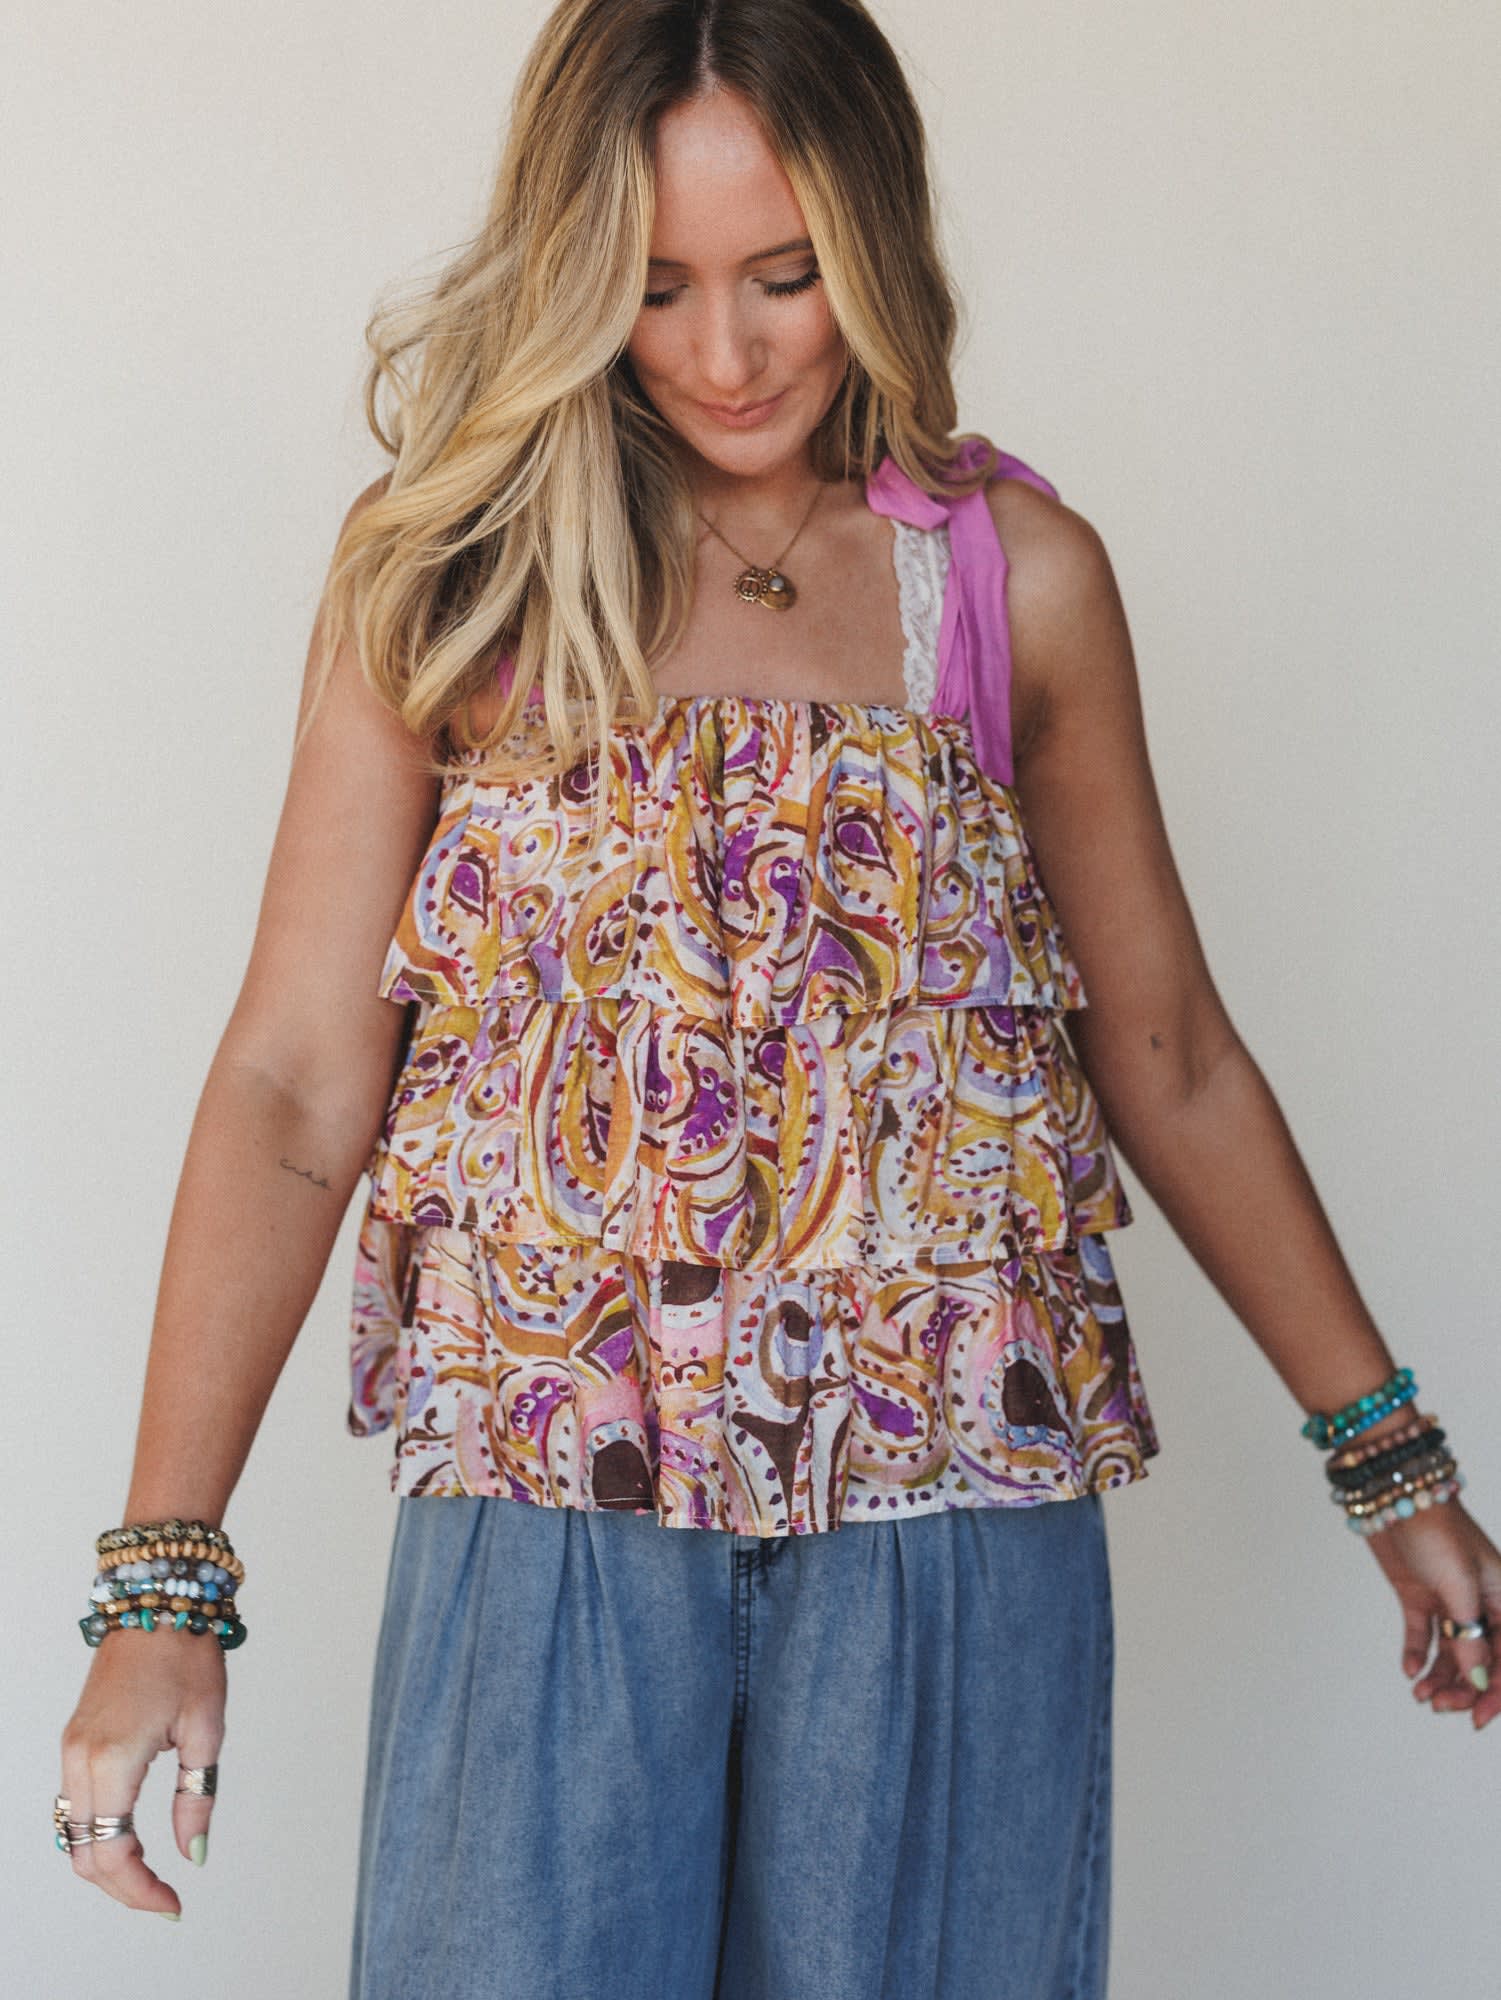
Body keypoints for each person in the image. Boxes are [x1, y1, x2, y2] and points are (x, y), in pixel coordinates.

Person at [57, 2, 1498, 1995]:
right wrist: (164, 1582)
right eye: (652, 286)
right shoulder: (454, 578)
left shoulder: (1009, 579)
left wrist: (1389, 1463)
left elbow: (1166, 1052)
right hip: (548, 1503)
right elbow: (297, 1084)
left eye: (784, 274)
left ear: (875, 244)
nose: (724, 353)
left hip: (953, 1517)